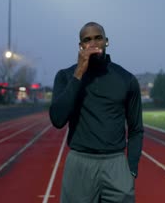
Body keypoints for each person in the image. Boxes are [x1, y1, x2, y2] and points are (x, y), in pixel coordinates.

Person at [49, 21, 144, 203]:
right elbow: (57, 120)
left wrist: (131, 167)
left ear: (106, 42)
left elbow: (136, 129)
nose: (93, 43)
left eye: (98, 38)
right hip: (79, 162)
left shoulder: (126, 79)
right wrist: (79, 72)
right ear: (81, 46)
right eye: (87, 40)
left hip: (115, 163)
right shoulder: (65, 76)